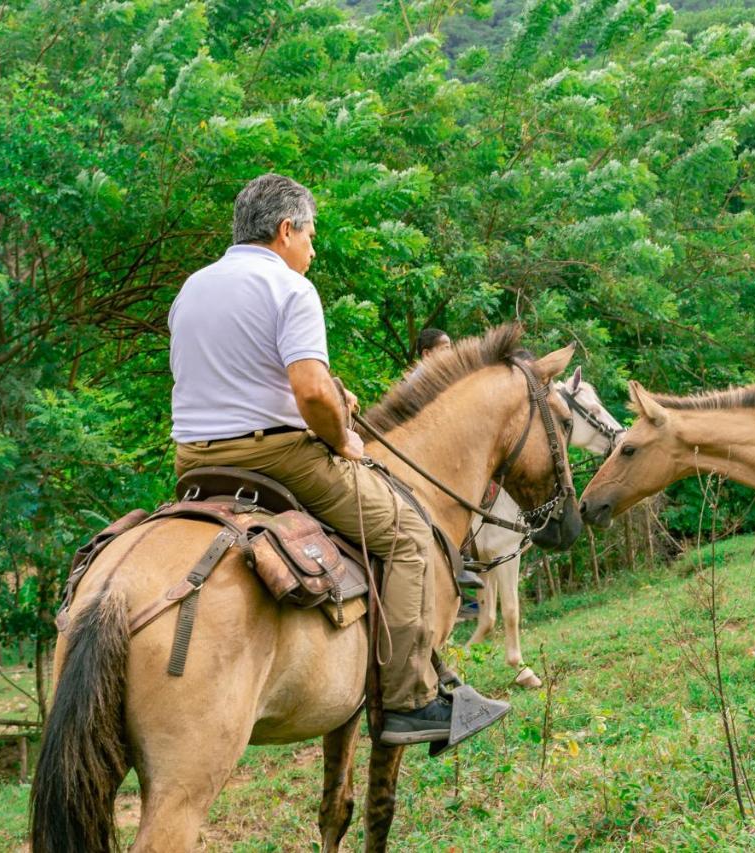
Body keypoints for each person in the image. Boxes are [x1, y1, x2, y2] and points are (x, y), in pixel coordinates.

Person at [168, 173, 505, 745]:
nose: (313, 249)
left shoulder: (192, 289)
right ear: (285, 230)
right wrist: (341, 436)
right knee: (406, 535)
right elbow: (309, 393)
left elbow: (238, 379)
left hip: (195, 464)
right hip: (278, 458)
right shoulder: (290, 289)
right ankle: (409, 700)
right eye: (310, 235)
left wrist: (329, 391)